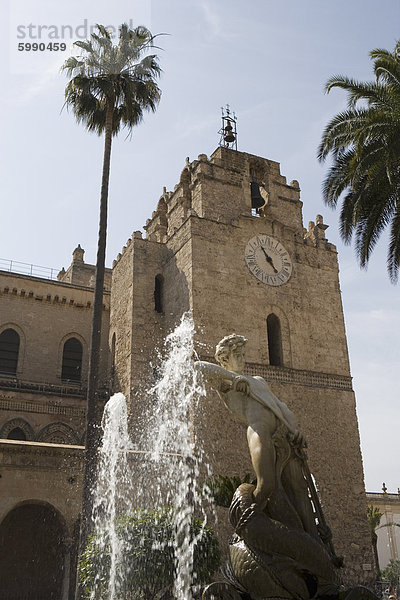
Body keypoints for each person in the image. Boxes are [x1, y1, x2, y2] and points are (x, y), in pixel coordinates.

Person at [195, 333, 319, 539]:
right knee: (267, 484)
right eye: (238, 355)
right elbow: (198, 367)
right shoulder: (224, 383)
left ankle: (314, 541)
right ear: (225, 359)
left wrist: (296, 431)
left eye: (244, 354)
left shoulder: (258, 381)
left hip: (284, 434)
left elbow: (281, 407)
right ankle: (247, 529)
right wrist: (233, 379)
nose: (243, 358)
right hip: (259, 430)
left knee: (300, 490)